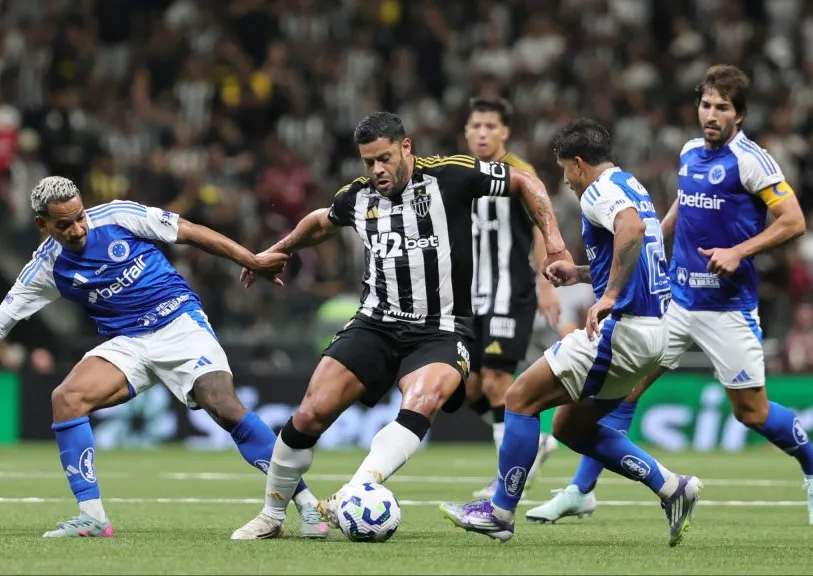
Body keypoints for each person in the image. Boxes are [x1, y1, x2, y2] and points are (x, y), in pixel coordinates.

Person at [0, 177, 329, 539]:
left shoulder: (120, 215)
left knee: (224, 406)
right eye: (64, 225)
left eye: (80, 216)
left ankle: (305, 504)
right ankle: (93, 516)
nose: (78, 229)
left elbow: (191, 232)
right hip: (128, 342)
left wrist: (251, 259)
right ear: (43, 225)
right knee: (66, 398)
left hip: (178, 321)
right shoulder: (45, 268)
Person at [230, 111, 573, 540]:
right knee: (311, 413)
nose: (376, 170)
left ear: (406, 148)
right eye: (368, 161)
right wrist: (276, 251)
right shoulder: (357, 197)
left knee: (423, 398)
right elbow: (322, 221)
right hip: (374, 323)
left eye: (384, 158)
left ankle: (355, 491)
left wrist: (556, 246)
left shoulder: (451, 175)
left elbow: (526, 182)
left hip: (443, 327)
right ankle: (272, 515)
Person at [526, 65, 813, 528]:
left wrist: (738, 251)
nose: (711, 114)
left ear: (740, 114)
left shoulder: (752, 160)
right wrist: (650, 241)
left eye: (722, 107)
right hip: (677, 301)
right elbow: (675, 211)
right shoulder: (690, 152)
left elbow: (793, 221)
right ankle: (580, 490)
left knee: (752, 411)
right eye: (706, 104)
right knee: (623, 389)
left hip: (727, 307)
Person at [441, 118, 702, 548]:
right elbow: (634, 247)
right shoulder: (632, 185)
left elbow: (631, 232)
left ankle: (500, 512)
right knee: (569, 428)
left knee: (519, 399)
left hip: (621, 329)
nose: (566, 181)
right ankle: (672, 487)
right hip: (654, 332)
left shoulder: (599, 191)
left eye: (565, 171)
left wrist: (608, 298)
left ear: (579, 164)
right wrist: (583, 274)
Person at [462, 97, 561, 498]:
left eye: (490, 126)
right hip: (471, 296)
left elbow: (540, 224)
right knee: (467, 386)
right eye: (476, 126)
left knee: (495, 378)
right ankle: (531, 442)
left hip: (511, 289)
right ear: (466, 132)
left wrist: (546, 281)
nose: (483, 133)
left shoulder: (520, 172)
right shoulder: (462, 171)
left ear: (505, 131)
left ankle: (507, 479)